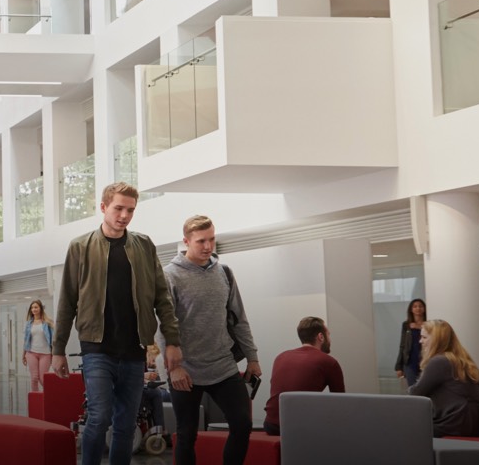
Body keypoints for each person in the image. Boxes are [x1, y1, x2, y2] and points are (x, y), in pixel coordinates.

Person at [50, 182, 183, 465]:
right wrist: (58, 349)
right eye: (118, 208)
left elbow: (162, 297)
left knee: (126, 424)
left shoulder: (144, 245)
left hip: (135, 349)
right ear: (103, 207)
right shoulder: (80, 247)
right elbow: (67, 302)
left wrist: (172, 341)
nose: (124, 215)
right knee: (99, 417)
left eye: (130, 210)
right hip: (97, 348)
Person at [162, 215, 259, 465]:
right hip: (186, 370)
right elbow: (163, 326)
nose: (207, 246)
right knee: (186, 434)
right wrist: (174, 368)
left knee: (242, 424)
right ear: (186, 241)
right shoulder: (170, 276)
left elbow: (239, 318)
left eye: (212, 239)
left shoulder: (224, 272)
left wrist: (252, 358)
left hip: (223, 365)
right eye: (201, 241)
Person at [263, 317, 345, 436]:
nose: (330, 339)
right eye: (329, 335)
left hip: (271, 425)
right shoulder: (328, 362)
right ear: (321, 337)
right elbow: (340, 403)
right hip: (299, 426)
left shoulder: (281, 357)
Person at [409, 320, 479, 438]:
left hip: (455, 424)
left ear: (436, 340)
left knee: (403, 428)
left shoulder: (439, 361)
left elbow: (416, 393)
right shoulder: (461, 360)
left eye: (424, 337)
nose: (420, 341)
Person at [20, 300, 54, 392]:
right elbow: (26, 341)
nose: (33, 309)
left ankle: (50, 396)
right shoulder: (28, 324)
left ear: (40, 308)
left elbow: (53, 340)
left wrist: (55, 354)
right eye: (32, 308)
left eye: (36, 307)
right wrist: (23, 355)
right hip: (31, 353)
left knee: (42, 378)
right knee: (34, 378)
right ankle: (36, 401)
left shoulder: (48, 322)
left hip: (45, 354)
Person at [395, 299, 427, 387]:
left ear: (424, 309)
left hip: (425, 360)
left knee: (425, 387)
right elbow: (402, 345)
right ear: (411, 309)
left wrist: (419, 327)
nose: (418, 308)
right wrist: (398, 366)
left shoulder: (429, 324)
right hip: (410, 360)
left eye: (420, 306)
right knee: (412, 388)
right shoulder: (406, 325)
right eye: (415, 306)